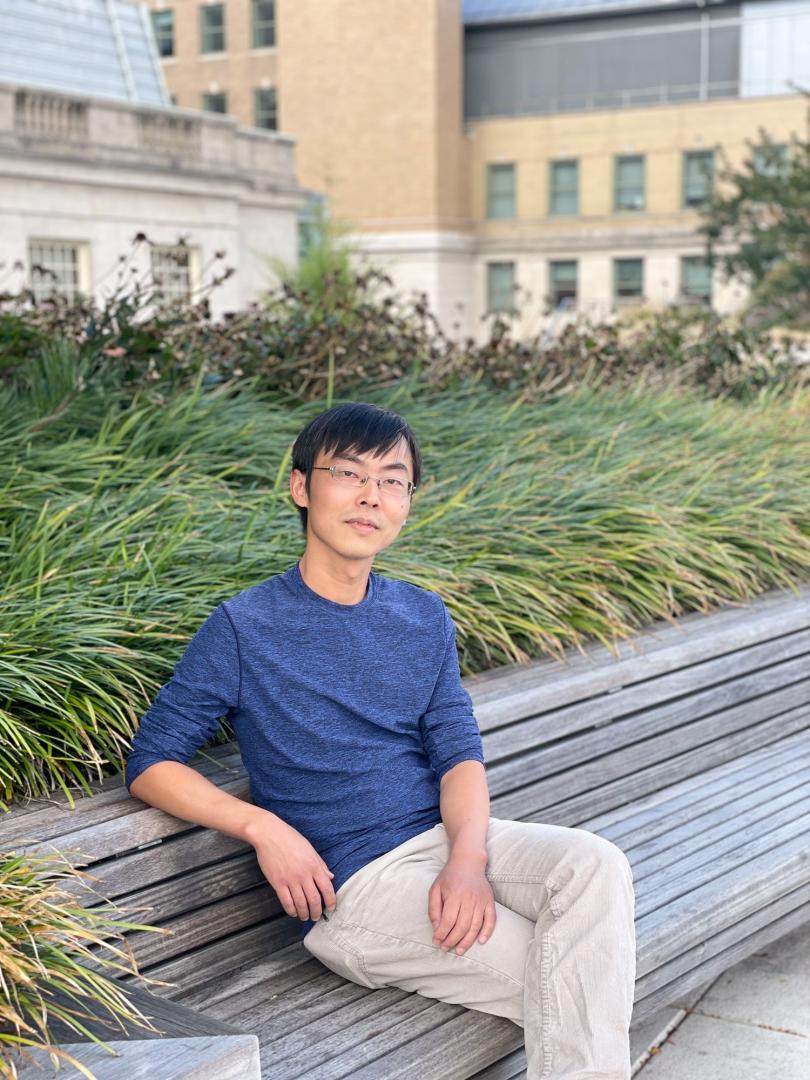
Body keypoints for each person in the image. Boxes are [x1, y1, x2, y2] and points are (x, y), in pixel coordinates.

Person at [124, 401, 637, 1079]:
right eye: (349, 473)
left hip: (438, 844)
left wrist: (467, 859)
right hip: (354, 893)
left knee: (594, 866)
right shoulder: (245, 628)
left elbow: (457, 754)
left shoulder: (421, 615)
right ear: (302, 487)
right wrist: (264, 828)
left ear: (407, 502)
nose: (372, 496)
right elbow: (151, 763)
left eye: (394, 480)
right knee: (575, 976)